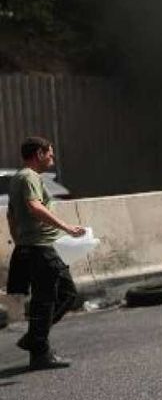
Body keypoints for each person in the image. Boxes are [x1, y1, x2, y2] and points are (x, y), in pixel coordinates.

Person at [5, 137, 86, 369]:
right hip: (40, 248)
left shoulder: (18, 179)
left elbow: (11, 215)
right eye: (49, 153)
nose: (52, 157)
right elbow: (34, 206)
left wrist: (20, 240)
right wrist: (67, 227)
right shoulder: (29, 176)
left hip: (32, 247)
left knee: (45, 299)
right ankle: (36, 342)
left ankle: (38, 349)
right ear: (39, 154)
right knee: (64, 294)